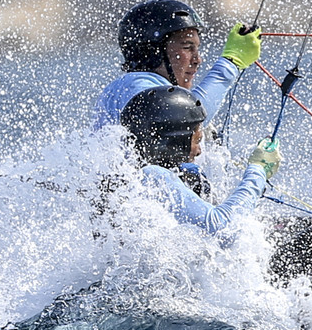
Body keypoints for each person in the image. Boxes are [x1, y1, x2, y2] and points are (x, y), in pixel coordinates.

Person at [119, 84, 280, 235]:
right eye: (197, 141)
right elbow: (222, 228)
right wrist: (258, 170)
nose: (199, 151)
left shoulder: (136, 173)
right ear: (175, 142)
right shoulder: (153, 177)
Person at [94, 0, 261, 132]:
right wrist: (231, 62)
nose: (198, 59)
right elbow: (186, 120)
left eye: (197, 48)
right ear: (152, 52)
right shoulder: (135, 85)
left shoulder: (133, 88)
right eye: (187, 47)